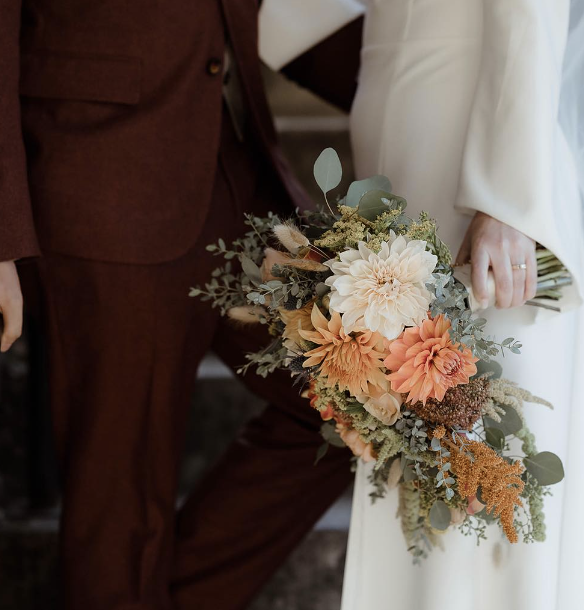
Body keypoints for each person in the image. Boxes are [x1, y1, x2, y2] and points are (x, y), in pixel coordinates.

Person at [0, 2, 363, 609]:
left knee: (355, 405)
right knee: (119, 509)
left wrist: (431, 67)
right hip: (99, 185)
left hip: (234, 173)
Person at [340, 1, 584, 609]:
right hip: (409, 131)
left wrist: (509, 198)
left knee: (490, 443)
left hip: (473, 143)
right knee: (413, 449)